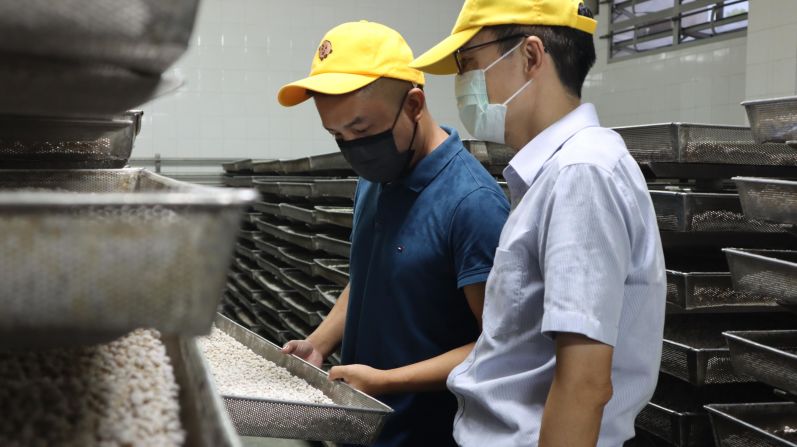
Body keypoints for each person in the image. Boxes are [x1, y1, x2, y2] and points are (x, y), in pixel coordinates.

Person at [410, 1, 666, 446]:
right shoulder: (554, 175)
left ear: (530, 57)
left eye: (469, 65)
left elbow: (584, 385)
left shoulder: (580, 175)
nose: (463, 85)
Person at [276, 21, 510, 447]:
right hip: (360, 429)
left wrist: (387, 382)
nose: (353, 149)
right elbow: (373, 272)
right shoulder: (379, 176)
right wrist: (319, 342)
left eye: (362, 131)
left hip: (424, 435)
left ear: (414, 104)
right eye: (338, 136)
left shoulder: (472, 204)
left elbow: (499, 345)